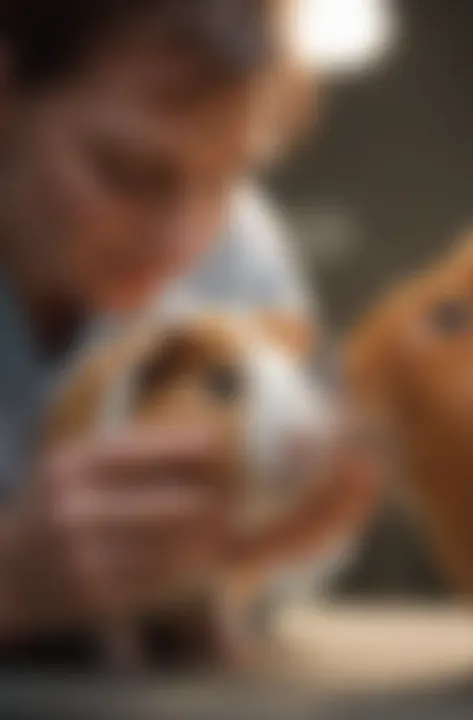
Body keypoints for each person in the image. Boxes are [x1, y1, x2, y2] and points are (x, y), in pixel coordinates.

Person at [0, 0, 377, 658]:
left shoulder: (241, 247)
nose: (180, 240)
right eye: (130, 172)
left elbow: (291, 570)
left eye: (224, 178)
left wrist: (266, 546)